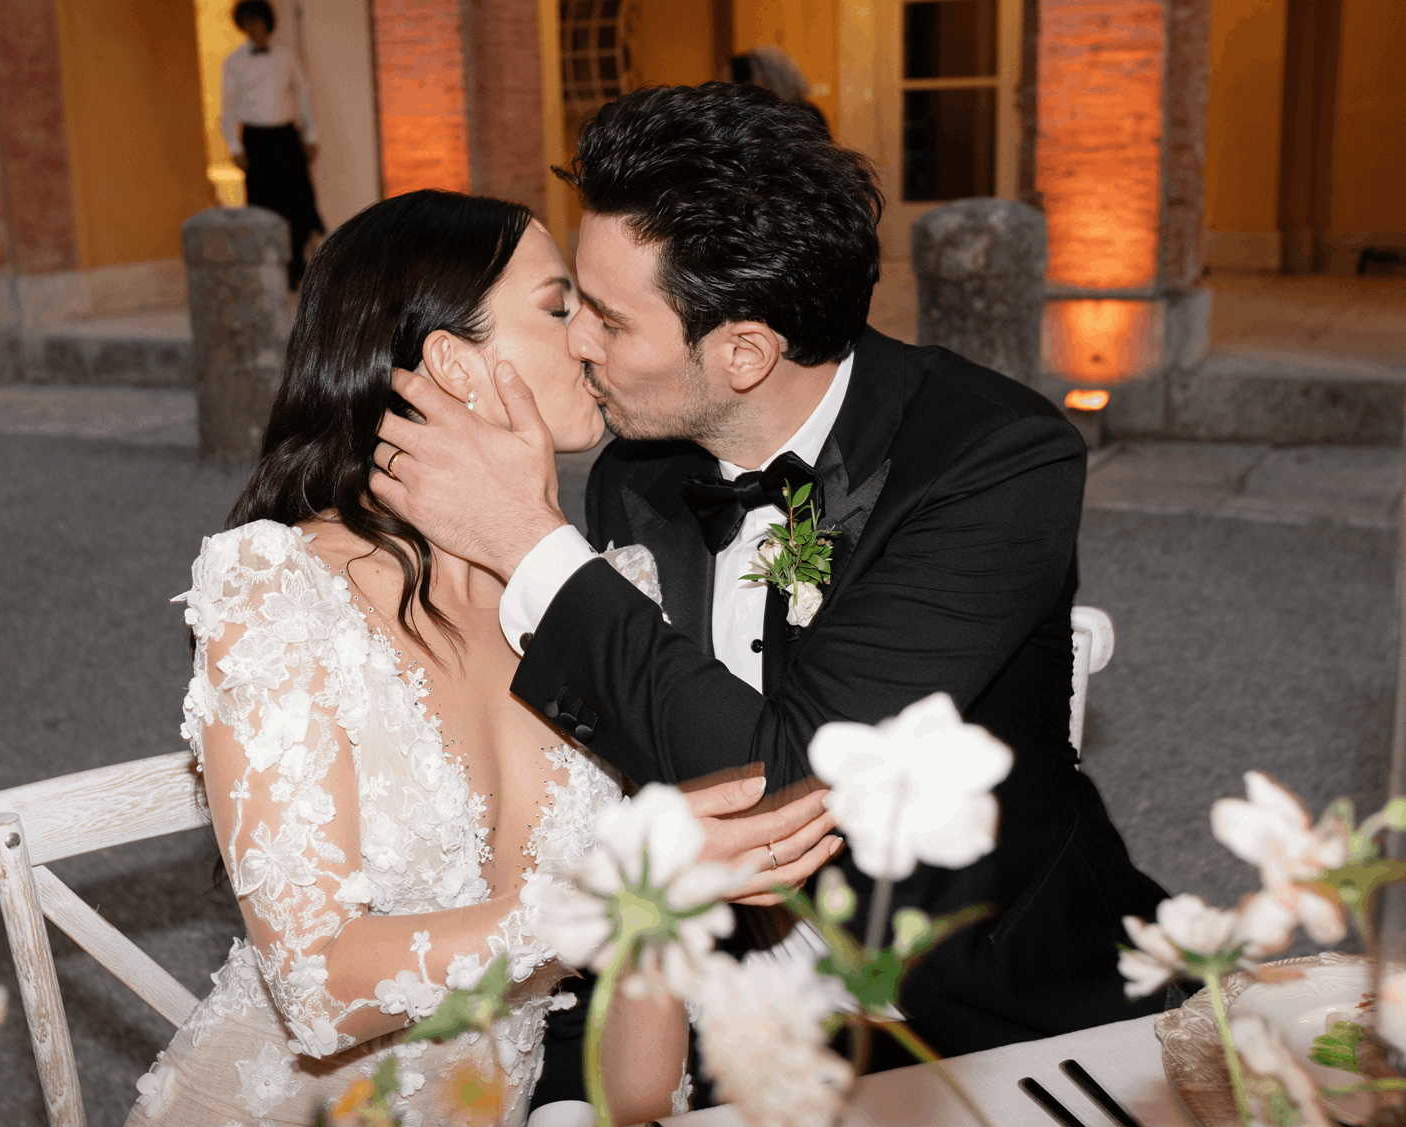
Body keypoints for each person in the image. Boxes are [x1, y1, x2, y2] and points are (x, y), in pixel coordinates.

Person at [368, 83, 1172, 1063]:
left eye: (612, 323)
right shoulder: (638, 475)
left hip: (982, 1004)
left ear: (744, 352)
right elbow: (635, 742)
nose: (577, 343)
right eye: (574, 301)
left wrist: (526, 544)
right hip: (721, 1014)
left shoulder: (995, 461)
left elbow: (791, 788)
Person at [100, 190, 839, 1127]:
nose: (592, 336)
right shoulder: (276, 588)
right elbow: (317, 989)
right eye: (556, 306)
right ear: (453, 362)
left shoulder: (609, 595)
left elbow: (640, 980)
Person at [223, 0, 324, 288]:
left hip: (286, 137)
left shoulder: (285, 56)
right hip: (256, 140)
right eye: (247, 22)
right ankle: (268, 267)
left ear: (267, 23)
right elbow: (227, 108)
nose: (253, 27)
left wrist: (311, 136)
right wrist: (234, 147)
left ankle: (297, 266)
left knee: (297, 200)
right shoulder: (233, 62)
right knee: (263, 204)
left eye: (257, 21)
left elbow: (303, 97)